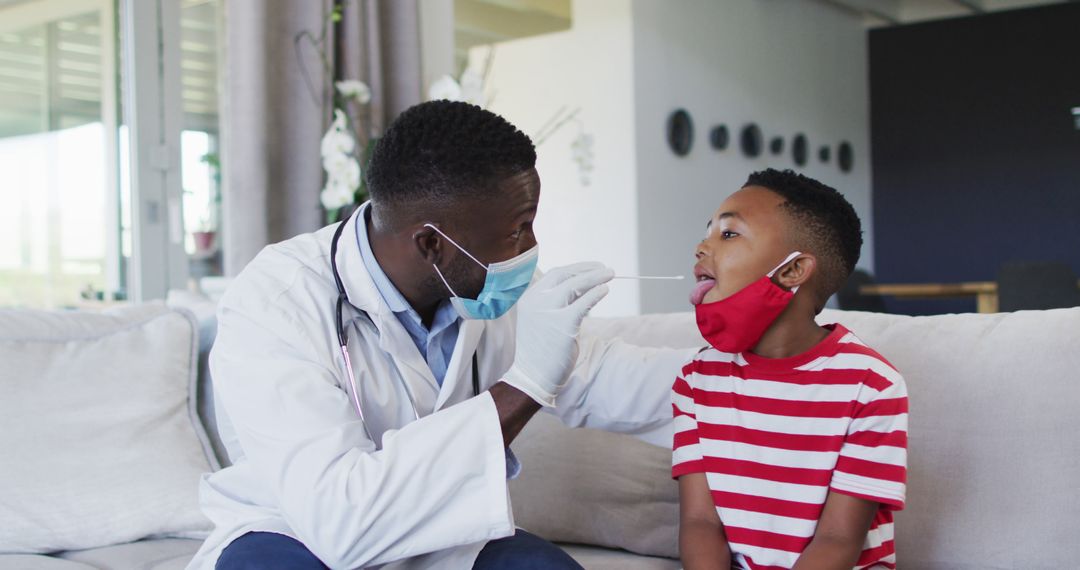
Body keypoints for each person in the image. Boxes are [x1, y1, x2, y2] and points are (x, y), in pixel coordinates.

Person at [186, 100, 696, 570]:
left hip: (438, 530)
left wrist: (749, 371)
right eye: (519, 227)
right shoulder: (275, 302)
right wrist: (525, 384)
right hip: (294, 534)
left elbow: (602, 373)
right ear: (433, 243)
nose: (532, 245)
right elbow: (339, 521)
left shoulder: (483, 286)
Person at [673, 169, 908, 569]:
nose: (701, 246)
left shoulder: (871, 386)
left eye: (728, 234)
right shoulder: (696, 378)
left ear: (792, 271)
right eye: (707, 232)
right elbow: (699, 523)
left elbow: (837, 540)